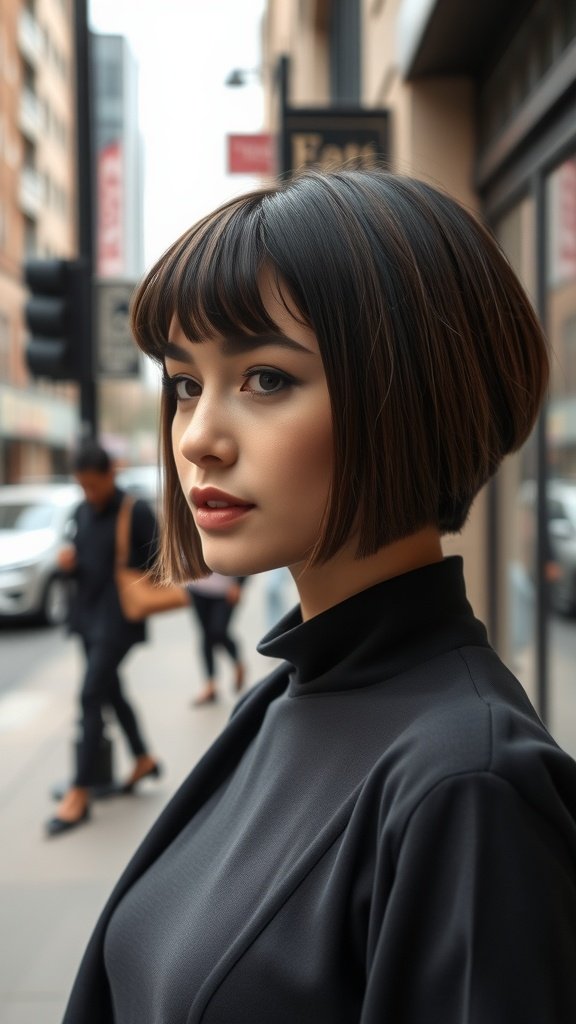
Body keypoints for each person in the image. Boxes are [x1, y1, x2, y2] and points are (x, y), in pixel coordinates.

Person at [61, 170, 576, 1021]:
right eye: (187, 383)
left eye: (265, 378)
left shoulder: (470, 788)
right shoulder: (281, 702)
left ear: (409, 396)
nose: (198, 439)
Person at [46, 442, 162, 837]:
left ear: (110, 474)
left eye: (94, 485)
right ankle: (144, 757)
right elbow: (81, 559)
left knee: (91, 694)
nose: (89, 494)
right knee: (109, 690)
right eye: (83, 486)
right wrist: (70, 565)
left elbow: (159, 562)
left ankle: (80, 791)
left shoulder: (136, 510)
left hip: (119, 621)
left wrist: (129, 565)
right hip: (88, 616)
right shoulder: (81, 511)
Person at [185, 573, 246, 705]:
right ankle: (210, 685)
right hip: (197, 587)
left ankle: (237, 662)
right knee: (205, 635)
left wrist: (239, 584)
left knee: (219, 631)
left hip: (225, 589)